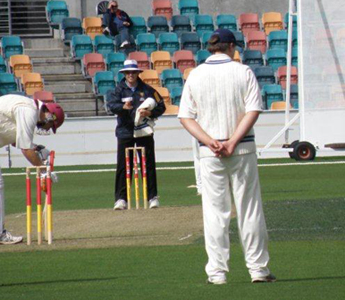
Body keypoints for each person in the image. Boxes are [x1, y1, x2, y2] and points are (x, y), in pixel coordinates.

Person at [178, 29, 276, 284]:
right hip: (242, 149)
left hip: (210, 153)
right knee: (250, 210)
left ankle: (217, 273)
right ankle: (258, 270)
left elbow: (185, 117)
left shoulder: (196, 74)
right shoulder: (242, 71)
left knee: (214, 213)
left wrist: (210, 141)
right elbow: (254, 109)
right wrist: (232, 141)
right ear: (231, 46)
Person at [0, 95, 64, 245]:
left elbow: (17, 140)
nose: (46, 128)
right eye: (50, 125)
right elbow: (25, 149)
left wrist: (37, 148)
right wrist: (44, 171)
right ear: (49, 115)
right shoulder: (29, 110)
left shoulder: (28, 108)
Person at [107, 60, 166, 210]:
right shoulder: (118, 90)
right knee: (123, 166)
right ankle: (121, 199)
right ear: (124, 74)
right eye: (128, 72)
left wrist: (150, 113)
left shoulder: (147, 89)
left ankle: (152, 197)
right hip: (124, 131)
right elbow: (111, 106)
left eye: (133, 72)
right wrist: (123, 107)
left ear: (138, 73)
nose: (131, 75)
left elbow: (161, 105)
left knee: (148, 164)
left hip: (144, 131)